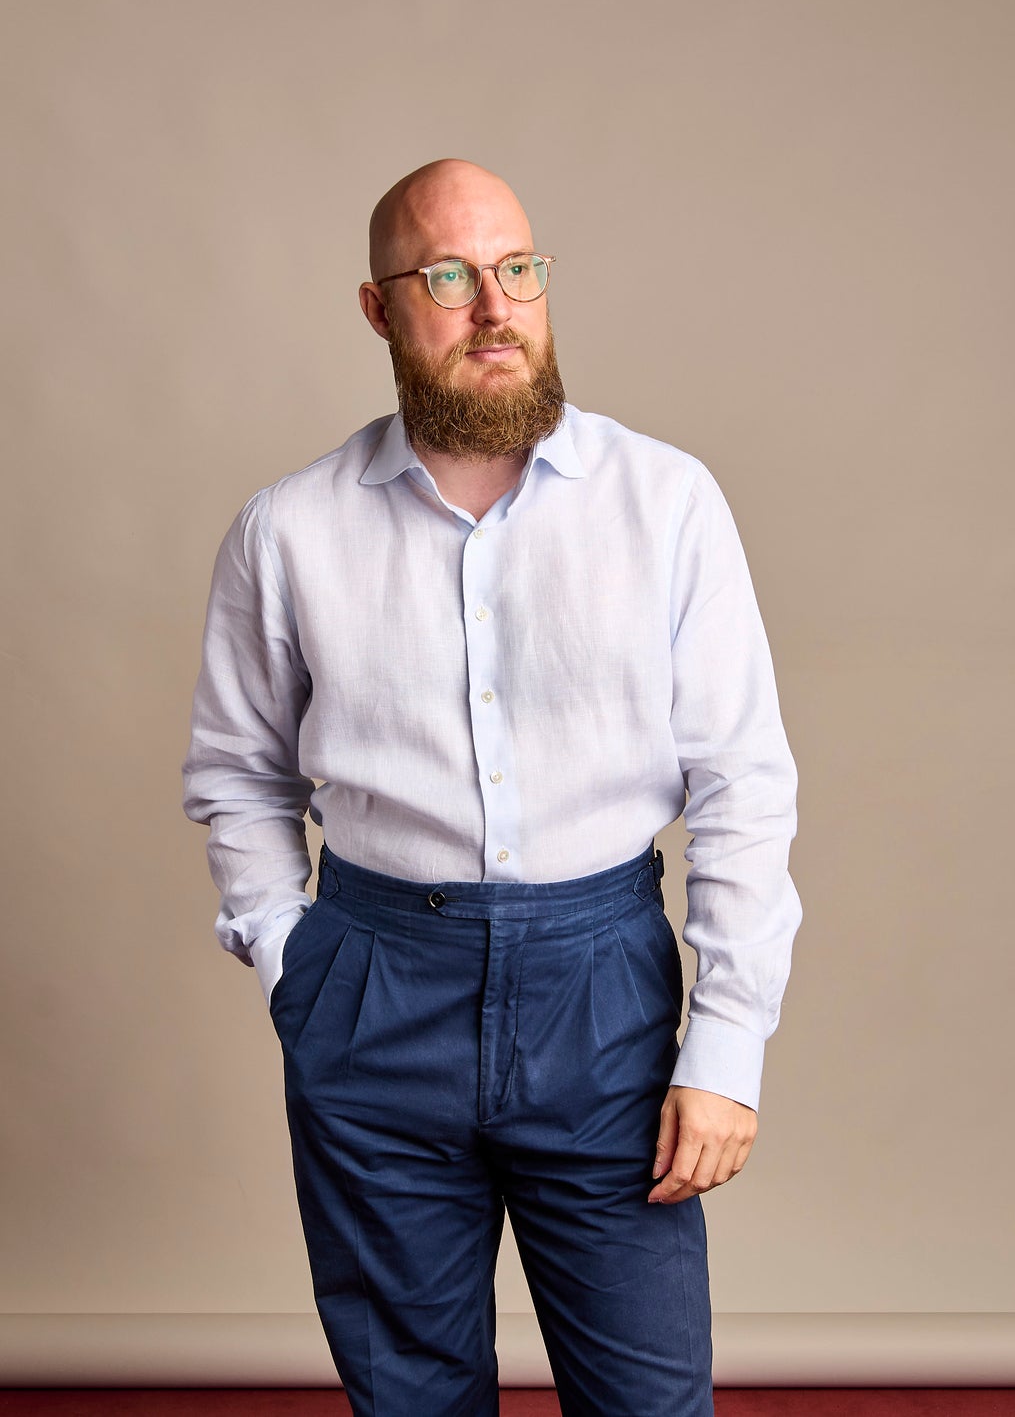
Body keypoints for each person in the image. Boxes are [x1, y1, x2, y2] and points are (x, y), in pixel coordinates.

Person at [180, 159, 802, 1416]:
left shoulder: (666, 503)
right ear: (379, 309)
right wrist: (295, 965)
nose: (494, 307)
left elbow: (741, 780)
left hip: (603, 994)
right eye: (449, 276)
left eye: (517, 269)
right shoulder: (290, 527)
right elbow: (238, 771)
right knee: (407, 1396)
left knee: (647, 1399)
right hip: (371, 989)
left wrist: (726, 1044)